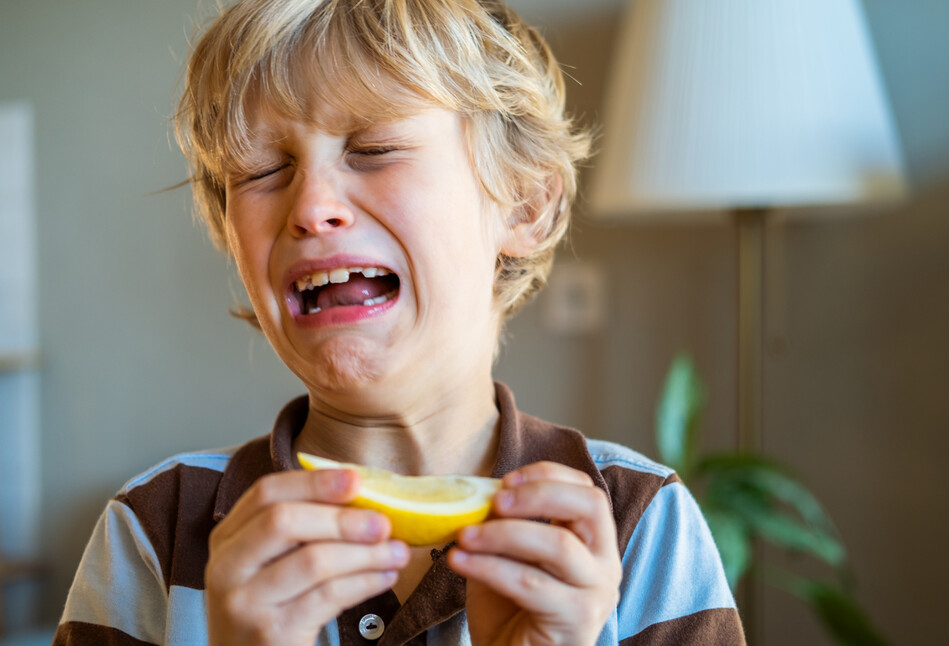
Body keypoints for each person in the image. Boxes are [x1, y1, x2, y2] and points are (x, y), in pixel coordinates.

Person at [53, 0, 744, 644]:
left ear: (525, 205)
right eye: (263, 168)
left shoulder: (641, 526)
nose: (311, 205)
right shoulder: (152, 531)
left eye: (374, 148)